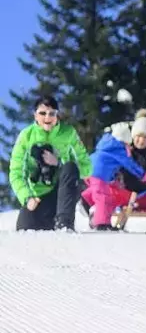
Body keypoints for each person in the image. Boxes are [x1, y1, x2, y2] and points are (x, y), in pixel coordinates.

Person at [9, 95, 92, 231]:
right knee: (24, 229)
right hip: (37, 197)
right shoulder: (26, 136)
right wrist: (26, 197)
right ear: (35, 115)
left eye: (51, 113)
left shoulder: (68, 133)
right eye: (42, 113)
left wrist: (59, 163)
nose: (47, 118)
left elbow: (86, 168)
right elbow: (15, 172)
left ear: (56, 115)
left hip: (62, 192)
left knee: (70, 167)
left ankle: (64, 224)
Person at [82, 121, 146, 230]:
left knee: (103, 194)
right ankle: (101, 224)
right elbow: (133, 167)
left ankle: (86, 197)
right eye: (128, 144)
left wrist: (114, 181)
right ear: (124, 141)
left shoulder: (107, 146)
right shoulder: (119, 150)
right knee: (103, 198)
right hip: (98, 174)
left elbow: (109, 167)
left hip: (89, 171)